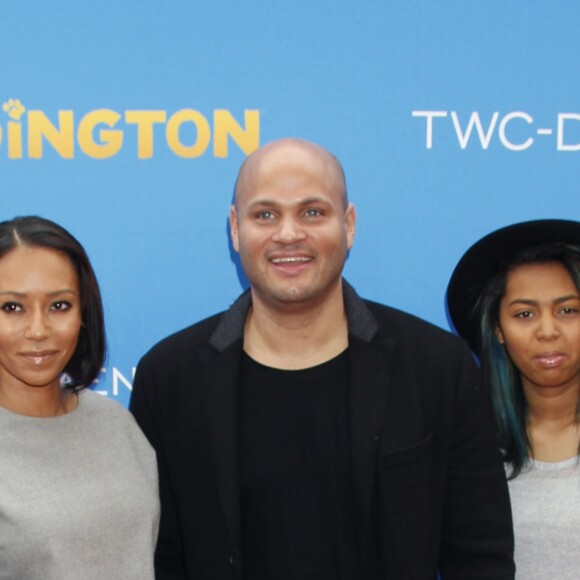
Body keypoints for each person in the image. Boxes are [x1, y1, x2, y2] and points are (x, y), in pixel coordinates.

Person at [130, 137, 515, 579]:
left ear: (349, 225)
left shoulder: (436, 366)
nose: (289, 233)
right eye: (265, 214)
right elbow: (159, 558)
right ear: (235, 229)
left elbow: (480, 556)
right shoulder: (170, 377)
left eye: (312, 212)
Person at [0, 216, 159, 580]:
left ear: (83, 314)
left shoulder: (115, 423)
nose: (38, 330)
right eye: (12, 307)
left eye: (59, 306)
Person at [446, 219, 580, 579]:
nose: (548, 331)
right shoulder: (464, 449)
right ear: (498, 330)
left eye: (568, 310)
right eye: (525, 314)